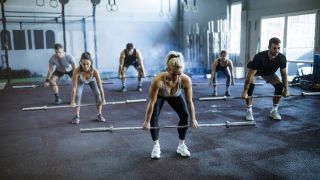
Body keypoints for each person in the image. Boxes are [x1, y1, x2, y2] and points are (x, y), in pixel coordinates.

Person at [142, 51, 198, 159]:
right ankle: (156, 146)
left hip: (175, 95)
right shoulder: (158, 81)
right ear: (167, 70)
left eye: (179, 74)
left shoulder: (186, 80)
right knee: (153, 117)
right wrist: (146, 121)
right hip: (160, 95)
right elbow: (151, 102)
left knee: (185, 115)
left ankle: (181, 145)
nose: (176, 78)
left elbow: (189, 101)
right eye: (173, 74)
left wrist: (193, 119)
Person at [241, 37, 290, 121]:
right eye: (274, 48)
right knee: (250, 88)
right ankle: (249, 111)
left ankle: (274, 111)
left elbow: (284, 75)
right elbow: (250, 75)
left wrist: (286, 90)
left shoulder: (282, 58)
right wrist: (245, 91)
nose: (277, 50)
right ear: (269, 47)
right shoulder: (260, 57)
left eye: (278, 48)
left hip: (269, 73)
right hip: (255, 72)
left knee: (280, 86)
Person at [70, 52, 106, 124]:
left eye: (87, 64)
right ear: (80, 63)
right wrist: (72, 101)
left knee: (97, 93)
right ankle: (77, 116)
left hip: (91, 80)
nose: (85, 66)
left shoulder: (95, 71)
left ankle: (99, 114)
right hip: (80, 81)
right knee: (77, 94)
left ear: (91, 63)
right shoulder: (76, 71)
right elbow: (74, 88)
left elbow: (100, 87)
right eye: (83, 64)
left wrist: (103, 99)